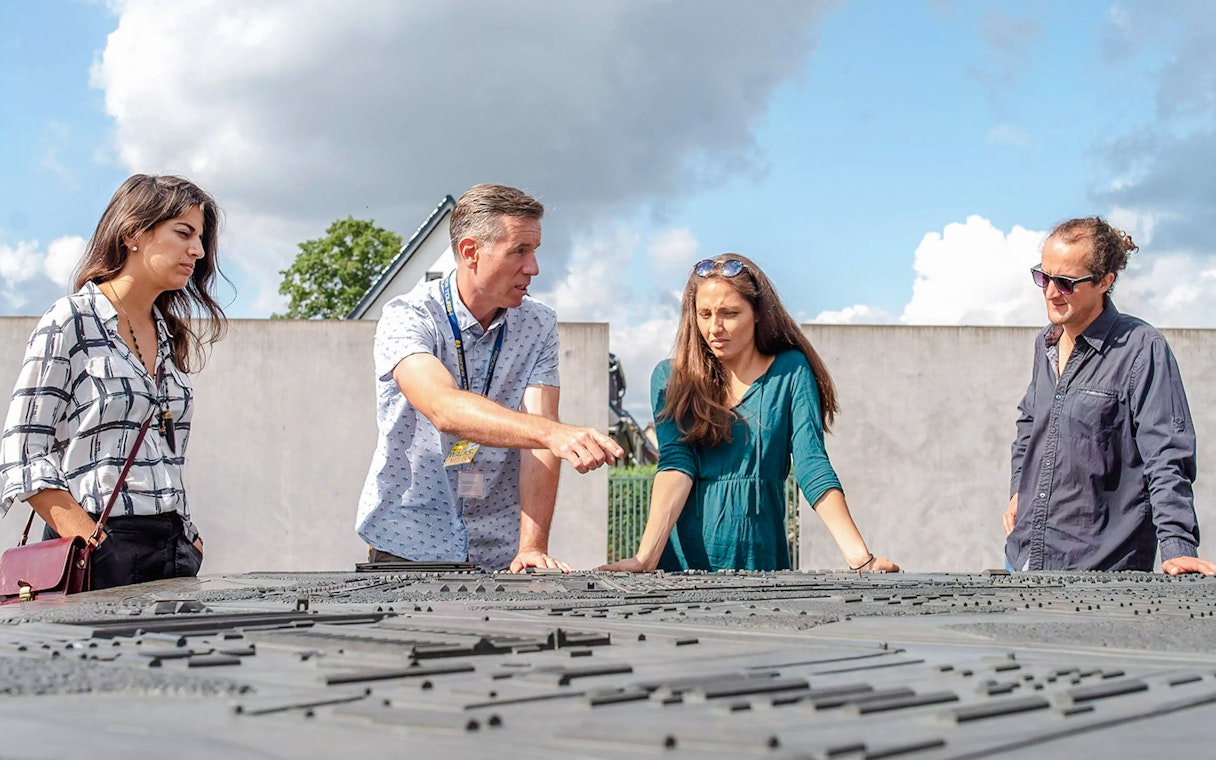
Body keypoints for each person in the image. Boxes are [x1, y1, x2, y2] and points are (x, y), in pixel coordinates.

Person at [355, 184, 623, 573]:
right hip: (407, 548)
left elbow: (539, 441)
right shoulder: (408, 316)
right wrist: (551, 433)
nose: (533, 268)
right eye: (519, 251)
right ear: (470, 252)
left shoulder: (539, 323)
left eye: (535, 251)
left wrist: (532, 547)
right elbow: (442, 407)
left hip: (499, 555)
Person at [601, 254, 897, 573]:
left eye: (730, 313)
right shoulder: (671, 378)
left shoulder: (791, 372)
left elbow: (812, 463)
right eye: (705, 314)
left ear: (757, 313)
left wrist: (859, 558)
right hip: (682, 567)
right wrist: (646, 558)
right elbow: (676, 465)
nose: (715, 328)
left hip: (762, 563)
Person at [0, 174, 227, 590]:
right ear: (134, 233)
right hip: (99, 551)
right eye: (183, 233)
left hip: (174, 549)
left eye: (200, 237)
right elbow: (23, 451)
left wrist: (189, 538)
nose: (196, 249)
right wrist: (92, 540)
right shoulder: (71, 320)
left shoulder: (168, 334)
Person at [1005, 217, 1215, 574]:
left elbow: (1167, 455)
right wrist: (1018, 489)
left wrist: (1178, 547)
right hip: (1025, 559)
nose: (1051, 292)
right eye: (1044, 277)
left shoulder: (1141, 349)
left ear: (1105, 282)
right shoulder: (1046, 344)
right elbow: (1030, 424)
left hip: (1102, 574)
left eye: (1066, 283)